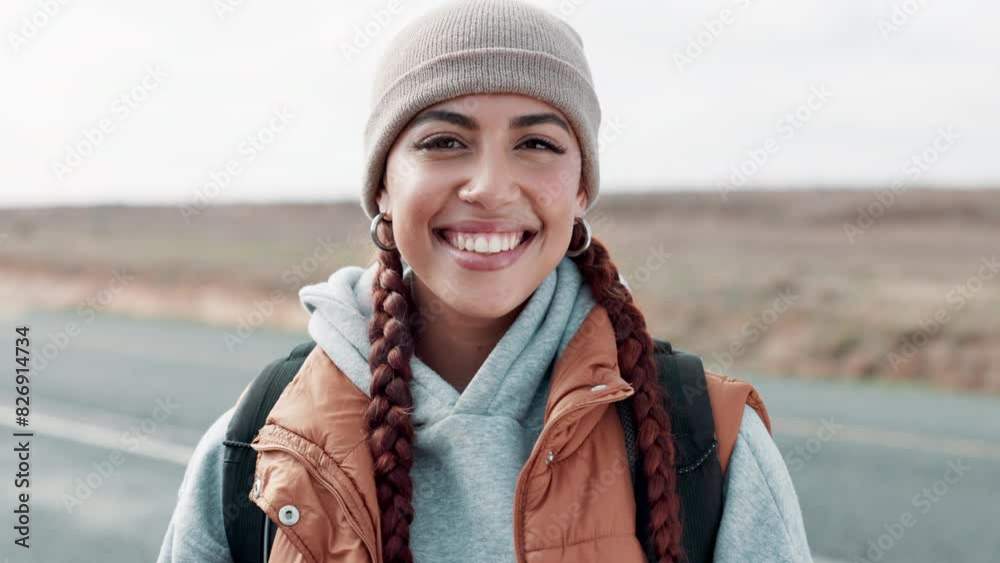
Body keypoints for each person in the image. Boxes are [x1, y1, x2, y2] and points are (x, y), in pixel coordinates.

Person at [157, 1, 812, 561]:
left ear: (581, 189)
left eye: (537, 144)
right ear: (383, 183)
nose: (490, 188)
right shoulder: (259, 446)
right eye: (444, 142)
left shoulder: (706, 443)